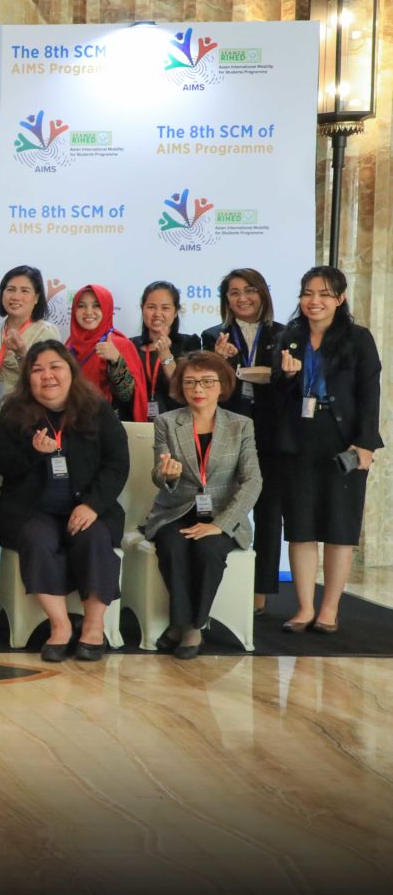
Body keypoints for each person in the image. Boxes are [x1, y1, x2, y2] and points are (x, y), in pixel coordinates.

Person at [0, 340, 130, 662]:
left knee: (95, 538)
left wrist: (92, 505)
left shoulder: (96, 409)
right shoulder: (14, 411)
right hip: (32, 509)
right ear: (28, 378)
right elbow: (0, 461)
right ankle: (60, 625)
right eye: (38, 370)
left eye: (55, 367)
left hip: (87, 507)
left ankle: (93, 626)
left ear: (70, 371)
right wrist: (33, 453)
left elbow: (117, 464)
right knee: (36, 539)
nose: (47, 376)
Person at [273, 266, 382, 634]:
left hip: (342, 442)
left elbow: (369, 394)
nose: (314, 301)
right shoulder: (289, 337)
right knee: (300, 527)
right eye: (308, 293)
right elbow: (278, 396)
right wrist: (289, 377)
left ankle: (329, 610)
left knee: (339, 527)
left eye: (323, 294)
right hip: (298, 441)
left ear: (340, 298)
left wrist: (365, 443)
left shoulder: (358, 339)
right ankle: (304, 607)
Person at [141, 353, 262, 659]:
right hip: (176, 511)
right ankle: (187, 626)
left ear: (222, 386)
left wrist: (221, 524)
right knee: (172, 547)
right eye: (190, 382)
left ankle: (188, 627)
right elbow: (159, 474)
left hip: (222, 514)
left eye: (208, 382)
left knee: (208, 550)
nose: (198, 389)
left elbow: (253, 481)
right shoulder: (167, 422)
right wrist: (167, 475)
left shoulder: (241, 425)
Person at [201, 268, 283, 613]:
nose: (242, 298)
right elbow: (209, 389)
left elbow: (292, 387)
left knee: (268, 511)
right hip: (229, 429)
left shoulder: (284, 334)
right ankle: (217, 585)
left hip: (272, 431)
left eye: (249, 290)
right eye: (234, 292)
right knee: (222, 502)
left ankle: (260, 591)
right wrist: (219, 362)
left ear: (262, 293)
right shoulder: (212, 336)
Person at [0, 265, 61, 418]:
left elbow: (49, 378)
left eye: (24, 291)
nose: (15, 296)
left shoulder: (46, 333)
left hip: (29, 412)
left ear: (37, 298)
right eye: (10, 289)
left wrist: (22, 354)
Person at [65, 284, 148, 423]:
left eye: (96, 305)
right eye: (81, 306)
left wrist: (116, 360)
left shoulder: (120, 344)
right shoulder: (69, 344)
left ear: (107, 308)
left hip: (106, 423)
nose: (88, 312)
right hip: (73, 420)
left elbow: (129, 396)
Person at [131, 281, 202, 417]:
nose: (157, 314)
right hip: (135, 421)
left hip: (177, 421)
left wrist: (165, 355)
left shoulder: (190, 343)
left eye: (165, 308)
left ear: (175, 312)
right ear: (142, 309)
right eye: (151, 307)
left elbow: (185, 388)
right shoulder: (130, 345)